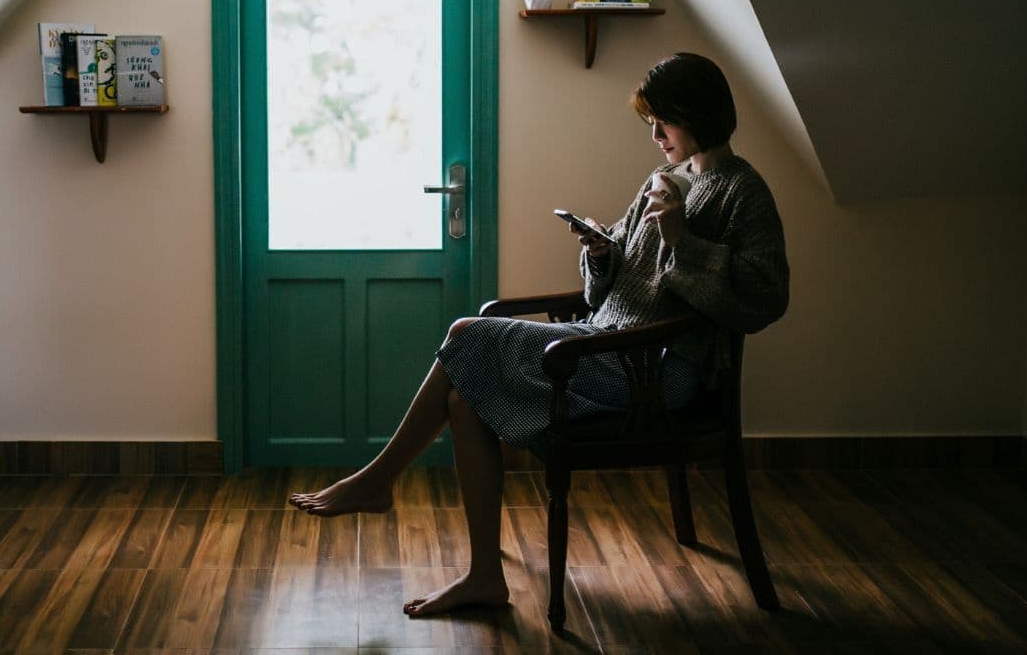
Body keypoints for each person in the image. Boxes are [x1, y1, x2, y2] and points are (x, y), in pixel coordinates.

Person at [289, 52, 790, 618]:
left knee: (465, 332)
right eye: (649, 122)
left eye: (664, 121)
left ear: (699, 114)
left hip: (661, 375)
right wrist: (602, 253)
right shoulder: (664, 179)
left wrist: (683, 241)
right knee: (463, 400)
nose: (654, 135)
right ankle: (483, 577)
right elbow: (613, 287)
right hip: (608, 348)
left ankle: (377, 480)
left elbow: (766, 297)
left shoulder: (743, 193)